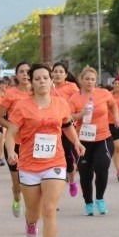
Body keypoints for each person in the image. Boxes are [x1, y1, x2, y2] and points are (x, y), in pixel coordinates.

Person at [4, 63, 85, 237]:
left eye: (45, 78)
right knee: (34, 211)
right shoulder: (22, 106)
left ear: (51, 81)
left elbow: (67, 125)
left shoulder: (60, 104)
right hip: (29, 164)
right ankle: (31, 223)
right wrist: (12, 151)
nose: (42, 81)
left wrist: (76, 142)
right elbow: (11, 133)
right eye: (37, 78)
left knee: (49, 208)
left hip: (55, 162)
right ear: (31, 82)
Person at [69, 66, 118, 216]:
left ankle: (100, 199)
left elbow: (113, 104)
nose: (90, 82)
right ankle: (88, 203)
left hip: (103, 138)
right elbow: (68, 118)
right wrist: (81, 114)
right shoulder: (74, 98)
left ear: (96, 81)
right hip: (82, 140)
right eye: (87, 79)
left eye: (92, 79)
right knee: (85, 174)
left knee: (102, 167)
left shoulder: (103, 93)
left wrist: (115, 116)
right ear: (81, 80)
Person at [0, 62, 32, 218]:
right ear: (16, 75)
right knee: (18, 185)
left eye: (28, 71)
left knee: (33, 183)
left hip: (33, 143)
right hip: (14, 143)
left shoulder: (39, 92)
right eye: (21, 71)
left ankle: (32, 213)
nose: (25, 74)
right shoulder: (11, 94)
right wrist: (13, 126)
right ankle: (17, 199)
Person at [50, 62, 80, 195]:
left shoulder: (71, 87)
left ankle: (72, 181)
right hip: (51, 128)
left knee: (68, 157)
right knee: (52, 159)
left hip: (67, 127)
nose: (57, 74)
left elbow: (79, 101)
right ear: (51, 73)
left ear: (66, 75)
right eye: (55, 71)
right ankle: (53, 188)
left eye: (60, 72)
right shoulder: (47, 87)